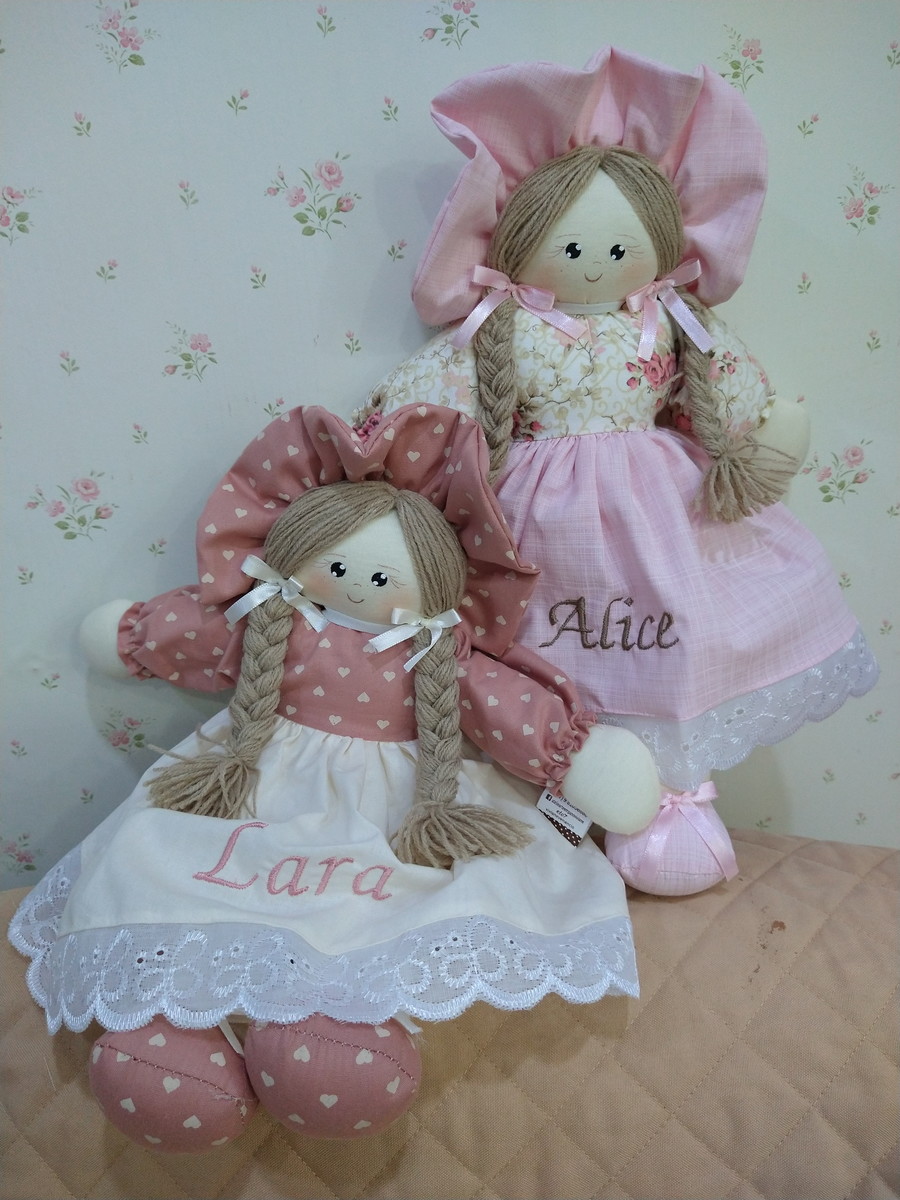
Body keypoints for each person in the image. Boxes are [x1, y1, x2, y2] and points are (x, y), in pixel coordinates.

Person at [10, 403, 658, 1151]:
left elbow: (506, 710)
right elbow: (190, 634)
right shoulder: (267, 621)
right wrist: (134, 637)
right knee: (167, 874)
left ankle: (334, 1033)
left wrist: (581, 758)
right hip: (246, 783)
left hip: (401, 810)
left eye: (381, 575)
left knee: (373, 929)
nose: (354, 584)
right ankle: (175, 1032)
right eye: (339, 565)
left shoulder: (439, 658)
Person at [363, 47, 879, 896]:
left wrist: (766, 439)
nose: (596, 260)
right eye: (571, 243)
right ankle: (540, 793)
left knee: (675, 640)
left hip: (662, 510)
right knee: (535, 651)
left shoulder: (671, 321)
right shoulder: (501, 328)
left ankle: (671, 800)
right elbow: (430, 398)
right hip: (533, 516)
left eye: (618, 244)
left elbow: (731, 390)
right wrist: (378, 450)